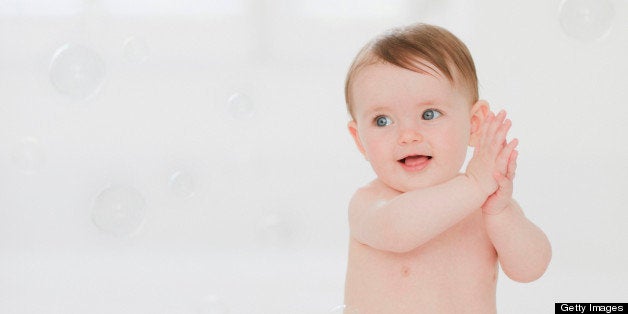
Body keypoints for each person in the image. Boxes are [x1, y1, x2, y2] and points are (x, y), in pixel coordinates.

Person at [343, 23, 551, 313]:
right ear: (360, 140)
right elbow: (399, 230)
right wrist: (475, 184)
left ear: (474, 124)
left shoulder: (486, 206)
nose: (408, 135)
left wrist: (500, 212)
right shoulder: (369, 204)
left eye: (429, 114)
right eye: (382, 121)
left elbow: (531, 268)